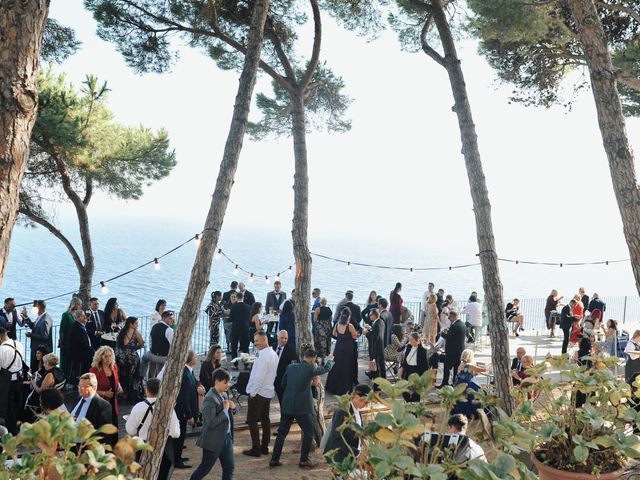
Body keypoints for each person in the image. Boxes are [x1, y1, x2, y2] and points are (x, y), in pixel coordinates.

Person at [269, 349, 334, 469]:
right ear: (313, 358)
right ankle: (304, 460)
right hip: (302, 407)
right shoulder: (310, 368)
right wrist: (330, 361)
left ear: (303, 356)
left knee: (282, 432)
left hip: (287, 404)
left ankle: (274, 459)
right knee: (309, 431)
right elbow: (325, 369)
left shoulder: (290, 367)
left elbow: (283, 383)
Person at [126, 378, 180, 480]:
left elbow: (130, 430)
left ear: (147, 390)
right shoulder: (169, 408)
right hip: (164, 448)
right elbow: (176, 433)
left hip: (143, 447)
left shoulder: (138, 407)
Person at [190, 368, 235, 480]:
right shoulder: (209, 399)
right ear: (217, 381)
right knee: (204, 469)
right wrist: (225, 410)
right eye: (225, 382)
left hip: (226, 438)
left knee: (229, 468)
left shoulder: (223, 395)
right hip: (213, 440)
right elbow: (211, 423)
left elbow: (228, 416)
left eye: (228, 382)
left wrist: (232, 408)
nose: (228, 385)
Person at [243, 331, 279, 457]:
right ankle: (264, 446)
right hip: (268, 391)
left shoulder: (264, 356)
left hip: (259, 392)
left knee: (252, 420)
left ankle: (256, 448)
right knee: (265, 419)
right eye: (255, 340)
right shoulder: (273, 354)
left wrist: (253, 393)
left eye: (257, 340)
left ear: (265, 340)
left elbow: (259, 377)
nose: (255, 343)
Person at [323, 384, 371, 463]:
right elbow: (336, 440)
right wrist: (357, 454)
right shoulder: (342, 412)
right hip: (340, 457)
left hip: (352, 453)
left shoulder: (356, 408)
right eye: (365, 402)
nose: (366, 406)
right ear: (357, 397)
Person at [175, 349, 202, 469]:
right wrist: (189, 415)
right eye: (195, 357)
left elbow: (195, 381)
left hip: (185, 411)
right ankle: (177, 460)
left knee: (182, 435)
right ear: (191, 360)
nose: (196, 359)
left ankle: (178, 456)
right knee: (179, 437)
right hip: (182, 413)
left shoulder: (188, 371)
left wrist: (199, 385)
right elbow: (183, 399)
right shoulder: (185, 375)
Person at [89, 346, 121, 446]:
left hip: (112, 402)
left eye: (110, 356)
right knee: (103, 428)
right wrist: (104, 393)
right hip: (100, 404)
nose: (108, 358)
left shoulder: (114, 367)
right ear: (100, 357)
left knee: (114, 426)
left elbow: (116, 380)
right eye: (106, 356)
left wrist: (119, 386)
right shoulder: (94, 370)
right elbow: (90, 389)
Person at [70, 372, 112, 441]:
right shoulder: (78, 399)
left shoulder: (104, 406)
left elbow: (104, 434)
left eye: (84, 387)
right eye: (79, 386)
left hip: (84, 445)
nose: (80, 389)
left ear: (94, 387)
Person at [325, 309, 358, 395]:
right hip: (347, 349)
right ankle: (344, 388)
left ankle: (333, 386)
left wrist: (341, 336)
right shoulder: (350, 326)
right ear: (349, 316)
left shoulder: (336, 325)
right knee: (346, 367)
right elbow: (355, 336)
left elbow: (334, 334)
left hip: (338, 348)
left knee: (336, 366)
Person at [24, 352, 65, 421]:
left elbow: (40, 391)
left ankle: (25, 417)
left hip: (44, 400)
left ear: (48, 363)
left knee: (24, 391)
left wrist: (32, 382)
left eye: (44, 363)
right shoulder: (59, 370)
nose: (43, 364)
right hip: (53, 396)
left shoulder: (50, 375)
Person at [0, 327, 25, 433]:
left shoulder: (1, 350)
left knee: (5, 407)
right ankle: (14, 429)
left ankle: (6, 431)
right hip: (19, 381)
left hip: (6, 382)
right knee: (15, 406)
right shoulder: (19, 344)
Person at [115, 316, 144, 402]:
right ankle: (132, 394)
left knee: (124, 375)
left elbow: (118, 345)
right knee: (134, 375)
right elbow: (142, 344)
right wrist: (135, 347)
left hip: (121, 359)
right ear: (131, 324)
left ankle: (122, 391)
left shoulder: (121, 332)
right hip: (131, 359)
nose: (137, 325)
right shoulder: (136, 333)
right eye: (136, 323)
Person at [451, 349, 487, 419]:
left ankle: (467, 412)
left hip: (459, 384)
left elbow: (467, 374)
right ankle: (479, 413)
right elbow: (483, 370)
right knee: (482, 392)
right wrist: (490, 365)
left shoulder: (461, 364)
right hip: (466, 384)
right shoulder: (469, 365)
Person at [20, 300, 53, 366]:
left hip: (41, 350)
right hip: (36, 348)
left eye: (35, 306)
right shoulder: (41, 317)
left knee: (36, 368)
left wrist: (31, 335)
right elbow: (34, 326)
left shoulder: (45, 320)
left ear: (39, 307)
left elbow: (44, 336)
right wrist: (26, 317)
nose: (33, 307)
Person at [438, 311, 467, 388]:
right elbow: (455, 336)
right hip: (460, 351)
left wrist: (442, 333)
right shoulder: (462, 324)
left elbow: (449, 337)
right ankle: (455, 383)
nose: (448, 318)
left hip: (452, 351)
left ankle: (445, 383)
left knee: (447, 368)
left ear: (454, 317)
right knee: (455, 369)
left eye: (450, 317)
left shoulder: (454, 326)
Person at [144, 310, 175, 378]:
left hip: (153, 355)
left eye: (172, 318)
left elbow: (151, 340)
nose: (172, 320)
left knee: (144, 358)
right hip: (163, 357)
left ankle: (147, 377)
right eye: (170, 318)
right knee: (160, 376)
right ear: (164, 318)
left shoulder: (154, 326)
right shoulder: (169, 330)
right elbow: (173, 345)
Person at [67, 309, 94, 386]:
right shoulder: (77, 328)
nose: (85, 316)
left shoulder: (79, 325)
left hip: (82, 351)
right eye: (83, 315)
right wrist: (93, 351)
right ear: (78, 318)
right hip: (79, 354)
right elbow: (83, 344)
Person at [398, 332, 428, 402]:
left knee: (416, 394)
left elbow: (426, 366)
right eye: (409, 339)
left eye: (411, 339)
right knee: (404, 391)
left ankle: (414, 409)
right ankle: (409, 403)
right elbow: (405, 361)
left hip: (417, 373)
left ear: (417, 340)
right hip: (407, 371)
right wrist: (401, 368)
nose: (410, 341)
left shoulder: (422, 350)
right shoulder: (408, 347)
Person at [60, 297, 83, 380]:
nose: (80, 306)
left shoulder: (74, 315)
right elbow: (62, 330)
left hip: (73, 342)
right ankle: (63, 380)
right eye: (79, 304)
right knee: (65, 363)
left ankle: (70, 380)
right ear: (75, 304)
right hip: (66, 343)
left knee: (71, 363)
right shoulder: (66, 315)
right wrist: (62, 342)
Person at [273, 330, 298, 405]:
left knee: (283, 401)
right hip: (270, 377)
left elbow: (294, 367)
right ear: (277, 337)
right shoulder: (272, 346)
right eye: (281, 338)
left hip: (281, 379)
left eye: (285, 338)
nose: (283, 340)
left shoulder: (291, 351)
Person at [229, 291, 252, 362]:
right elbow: (249, 318)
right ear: (243, 298)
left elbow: (231, 319)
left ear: (236, 298)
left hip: (235, 328)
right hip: (245, 328)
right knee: (245, 347)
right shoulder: (248, 307)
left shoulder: (233, 307)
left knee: (234, 346)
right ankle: (246, 363)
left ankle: (235, 363)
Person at [365, 308, 386, 384]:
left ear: (375, 315)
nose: (369, 316)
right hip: (379, 347)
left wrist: (366, 333)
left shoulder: (377, 324)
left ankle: (377, 386)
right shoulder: (380, 322)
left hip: (376, 349)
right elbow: (376, 333)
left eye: (371, 314)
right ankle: (381, 382)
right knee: (380, 366)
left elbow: (374, 337)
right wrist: (370, 329)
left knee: (377, 367)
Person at [313, 298, 333, 363]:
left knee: (318, 342)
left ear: (320, 302)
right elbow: (330, 319)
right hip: (327, 328)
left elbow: (315, 319)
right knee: (325, 342)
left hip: (320, 328)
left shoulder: (318, 309)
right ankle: (323, 359)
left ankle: (317, 358)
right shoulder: (329, 309)